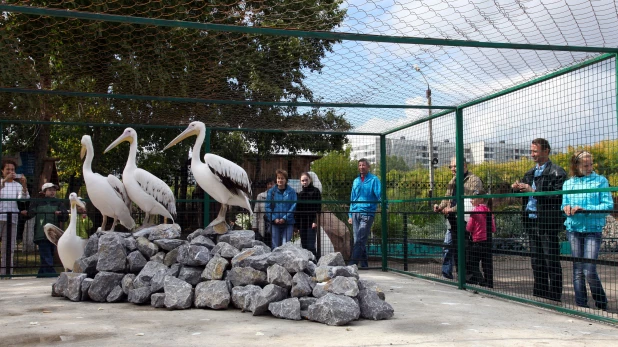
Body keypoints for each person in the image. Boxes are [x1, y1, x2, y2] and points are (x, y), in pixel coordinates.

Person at [512, 138, 566, 302]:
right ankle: (539, 294)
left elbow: (558, 196)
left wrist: (532, 190)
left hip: (547, 221)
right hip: (531, 220)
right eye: (531, 151)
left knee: (551, 260)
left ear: (546, 151)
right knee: (536, 260)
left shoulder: (557, 172)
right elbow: (525, 196)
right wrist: (517, 189)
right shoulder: (529, 173)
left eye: (535, 151)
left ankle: (554, 297)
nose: (532, 154)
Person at [561, 151, 612, 310]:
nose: (589, 167)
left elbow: (608, 205)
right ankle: (581, 306)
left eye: (591, 164)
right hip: (574, 228)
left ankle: (601, 303)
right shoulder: (568, 184)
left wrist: (586, 209)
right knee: (577, 269)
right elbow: (563, 204)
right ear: (576, 166)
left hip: (592, 229)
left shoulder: (601, 181)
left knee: (589, 269)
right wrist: (566, 208)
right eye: (585, 165)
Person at [434, 157, 483, 279]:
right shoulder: (453, 181)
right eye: (451, 166)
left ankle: (471, 277)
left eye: (455, 166)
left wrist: (452, 209)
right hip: (453, 219)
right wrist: (440, 207)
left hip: (467, 220)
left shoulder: (473, 180)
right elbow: (447, 198)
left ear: (464, 166)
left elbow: (470, 202)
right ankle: (448, 274)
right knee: (449, 246)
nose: (453, 169)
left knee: (466, 250)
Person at [25, 183, 68, 277]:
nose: (52, 192)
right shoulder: (38, 202)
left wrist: (61, 213)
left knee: (50, 253)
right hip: (41, 233)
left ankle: (41, 274)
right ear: (44, 192)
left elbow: (65, 217)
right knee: (46, 253)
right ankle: (51, 274)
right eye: (50, 190)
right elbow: (30, 214)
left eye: (54, 190)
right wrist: (25, 213)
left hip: (53, 233)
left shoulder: (59, 203)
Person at [348, 158, 381, 268]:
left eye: (364, 165)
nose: (361, 167)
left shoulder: (374, 180)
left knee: (360, 239)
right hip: (355, 212)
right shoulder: (356, 181)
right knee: (358, 240)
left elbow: (379, 194)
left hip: (367, 213)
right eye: (360, 165)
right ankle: (365, 264)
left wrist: (385, 207)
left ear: (368, 167)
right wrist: (350, 214)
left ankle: (352, 264)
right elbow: (352, 197)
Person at [1, 159, 29, 276]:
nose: (10, 172)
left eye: (12, 170)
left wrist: (24, 185)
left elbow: (24, 198)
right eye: (8, 169)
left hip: (11, 219)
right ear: (2, 171)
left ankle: (6, 274)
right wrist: (4, 181)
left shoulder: (16, 185)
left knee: (8, 248)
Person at [466, 189, 496, 287]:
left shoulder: (475, 211)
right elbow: (493, 228)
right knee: (487, 263)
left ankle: (481, 280)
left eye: (474, 198)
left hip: (477, 241)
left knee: (472, 263)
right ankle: (489, 283)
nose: (471, 200)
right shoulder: (489, 211)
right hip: (487, 241)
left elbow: (469, 227)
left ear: (481, 199)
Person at [265, 170, 297, 249]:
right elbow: (267, 207)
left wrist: (284, 218)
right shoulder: (271, 192)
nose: (280, 180)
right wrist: (274, 218)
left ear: (286, 180)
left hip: (288, 222)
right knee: (275, 246)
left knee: (285, 245)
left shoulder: (292, 191)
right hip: (274, 223)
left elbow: (293, 206)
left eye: (282, 178)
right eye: (278, 178)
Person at [296, 172, 322, 258]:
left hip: (311, 222)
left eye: (306, 180)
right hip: (302, 223)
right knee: (304, 245)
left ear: (310, 180)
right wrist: (297, 225)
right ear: (300, 182)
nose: (304, 182)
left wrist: (315, 221)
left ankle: (314, 262)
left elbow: (318, 207)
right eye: (303, 180)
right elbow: (298, 210)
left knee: (311, 245)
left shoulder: (315, 191)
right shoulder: (300, 194)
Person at [252, 178, 275, 243]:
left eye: (272, 184)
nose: (270, 186)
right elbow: (256, 211)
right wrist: (254, 225)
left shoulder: (278, 196)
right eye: (268, 184)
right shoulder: (260, 196)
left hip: (273, 223)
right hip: (262, 224)